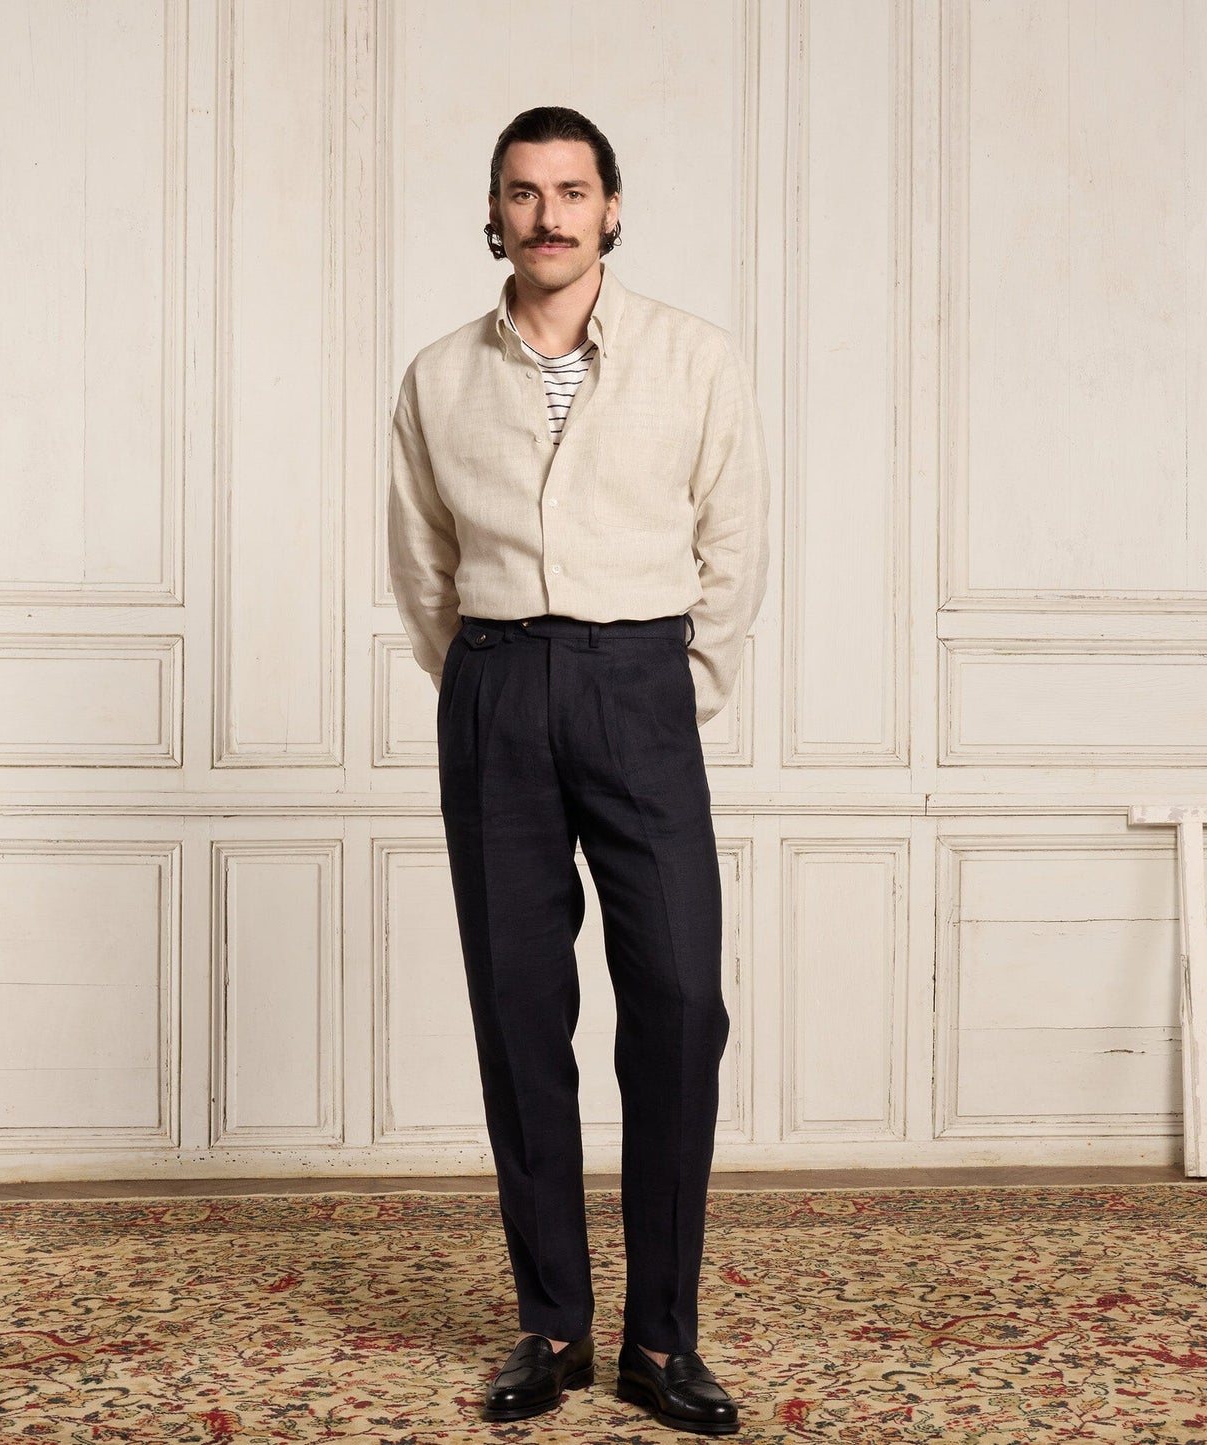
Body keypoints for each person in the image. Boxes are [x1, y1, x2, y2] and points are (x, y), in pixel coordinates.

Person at [387, 104, 770, 1437]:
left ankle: (661, 1339)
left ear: (611, 208)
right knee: (517, 1006)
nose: (547, 214)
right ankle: (551, 1321)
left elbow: (735, 545)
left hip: (641, 679)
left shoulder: (694, 358)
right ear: (492, 214)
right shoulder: (438, 377)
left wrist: (665, 688)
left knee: (679, 1002)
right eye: (522, 191)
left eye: (570, 190)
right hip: (496, 683)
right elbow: (421, 565)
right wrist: (491, 684)